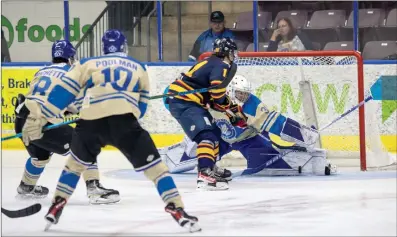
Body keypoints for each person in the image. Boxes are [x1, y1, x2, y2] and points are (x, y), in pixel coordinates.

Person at [19, 30, 200, 232]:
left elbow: (62, 94)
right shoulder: (139, 67)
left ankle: (56, 206)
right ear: (124, 48)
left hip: (85, 121)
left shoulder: (87, 64)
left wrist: (40, 117)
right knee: (157, 170)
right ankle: (177, 208)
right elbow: (141, 108)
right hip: (124, 122)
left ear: (103, 48)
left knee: (75, 164)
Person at [161, 75, 337, 176]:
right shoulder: (212, 98)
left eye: (245, 94)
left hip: (248, 139)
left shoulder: (252, 106)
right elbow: (175, 99)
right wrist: (170, 97)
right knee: (190, 155)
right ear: (228, 91)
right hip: (220, 138)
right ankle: (163, 158)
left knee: (272, 163)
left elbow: (276, 123)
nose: (243, 97)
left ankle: (316, 163)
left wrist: (305, 136)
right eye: (239, 94)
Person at [14, 40, 120, 204]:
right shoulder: (72, 73)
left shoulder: (42, 71)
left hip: (21, 120)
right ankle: (94, 189)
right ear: (71, 57)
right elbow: (78, 105)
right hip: (43, 122)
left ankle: (26, 187)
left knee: (40, 156)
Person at [168, 37, 239, 191]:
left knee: (214, 133)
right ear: (227, 52)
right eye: (233, 52)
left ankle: (211, 167)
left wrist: (227, 106)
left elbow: (212, 96)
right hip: (185, 101)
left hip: (187, 100)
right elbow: (217, 92)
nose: (234, 55)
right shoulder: (221, 65)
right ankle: (204, 175)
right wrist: (229, 105)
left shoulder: (211, 62)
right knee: (206, 135)